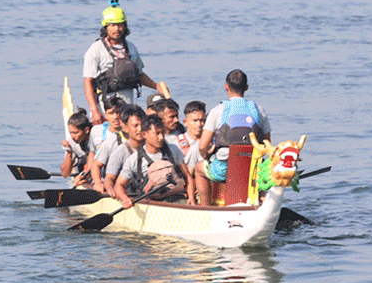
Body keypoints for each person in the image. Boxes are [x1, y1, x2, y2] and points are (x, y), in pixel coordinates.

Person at [196, 70, 273, 205]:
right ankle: (261, 200)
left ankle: (206, 208)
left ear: (226, 87)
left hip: (224, 169)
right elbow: (268, 144)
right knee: (262, 166)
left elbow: (202, 146)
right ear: (247, 87)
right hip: (254, 169)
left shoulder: (217, 111)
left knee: (198, 169)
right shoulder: (259, 110)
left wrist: (205, 156)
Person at [82, 0, 162, 125]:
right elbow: (88, 82)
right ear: (106, 27)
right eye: (112, 25)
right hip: (106, 109)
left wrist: (157, 87)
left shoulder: (131, 48)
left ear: (125, 26)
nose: (117, 29)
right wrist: (94, 110)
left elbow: (140, 75)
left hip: (128, 108)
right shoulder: (95, 50)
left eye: (120, 25)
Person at [114, 114, 189, 207]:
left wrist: (192, 201)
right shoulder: (133, 160)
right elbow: (118, 185)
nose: (161, 137)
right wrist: (125, 199)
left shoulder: (173, 149)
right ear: (144, 134)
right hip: (151, 204)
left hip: (176, 199)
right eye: (157, 133)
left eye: (162, 133)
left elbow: (188, 177)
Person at [102, 106, 147, 197]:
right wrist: (111, 190)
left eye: (142, 125)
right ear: (125, 128)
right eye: (135, 126)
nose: (140, 129)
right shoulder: (119, 152)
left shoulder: (154, 147)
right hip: (129, 193)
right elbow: (109, 178)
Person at [87, 98, 127, 193]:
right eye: (111, 113)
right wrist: (97, 181)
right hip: (103, 176)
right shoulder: (96, 131)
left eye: (119, 112)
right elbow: (92, 154)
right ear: (106, 115)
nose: (116, 117)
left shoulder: (132, 134)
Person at [179, 101, 208, 204]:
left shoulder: (210, 142)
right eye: (195, 120)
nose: (199, 124)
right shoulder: (177, 143)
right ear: (185, 122)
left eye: (202, 120)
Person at [60, 109, 94, 184]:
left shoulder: (97, 137)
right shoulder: (72, 142)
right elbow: (65, 174)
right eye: (70, 133)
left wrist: (84, 175)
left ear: (86, 130)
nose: (72, 137)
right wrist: (69, 152)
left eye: (75, 133)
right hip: (85, 175)